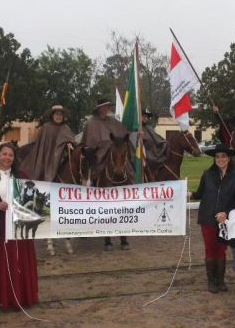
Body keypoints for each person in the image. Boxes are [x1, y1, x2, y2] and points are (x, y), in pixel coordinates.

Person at [0, 142, 39, 310]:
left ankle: (20, 296)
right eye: (4, 154)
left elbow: (32, 201)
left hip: (18, 227)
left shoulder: (23, 176)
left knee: (18, 260)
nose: (7, 158)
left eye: (11, 155)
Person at [80, 98, 131, 250]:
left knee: (128, 168)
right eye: (103, 107)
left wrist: (136, 132)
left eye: (107, 107)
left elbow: (124, 134)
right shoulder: (90, 123)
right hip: (97, 156)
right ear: (98, 109)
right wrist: (100, 147)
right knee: (90, 176)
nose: (106, 109)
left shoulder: (114, 122)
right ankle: (106, 237)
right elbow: (88, 143)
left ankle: (123, 237)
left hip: (115, 155)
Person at [192, 143, 235, 293]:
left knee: (221, 249)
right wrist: (189, 194)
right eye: (218, 157)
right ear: (214, 159)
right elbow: (200, 193)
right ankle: (211, 281)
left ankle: (220, 280)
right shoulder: (207, 174)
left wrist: (226, 212)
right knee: (210, 249)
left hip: (225, 220)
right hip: (207, 217)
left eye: (224, 156)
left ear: (229, 158)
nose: (221, 159)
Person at [21, 105, 77, 183]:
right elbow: (40, 145)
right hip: (45, 156)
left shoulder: (66, 128)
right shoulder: (45, 128)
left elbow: (72, 143)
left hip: (60, 158)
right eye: (57, 114)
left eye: (61, 115)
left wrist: (69, 144)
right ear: (52, 115)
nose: (59, 117)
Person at [140, 107, 169, 177]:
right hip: (144, 152)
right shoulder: (136, 128)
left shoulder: (149, 127)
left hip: (153, 150)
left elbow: (156, 138)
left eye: (147, 117)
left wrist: (164, 143)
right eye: (143, 116)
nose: (145, 118)